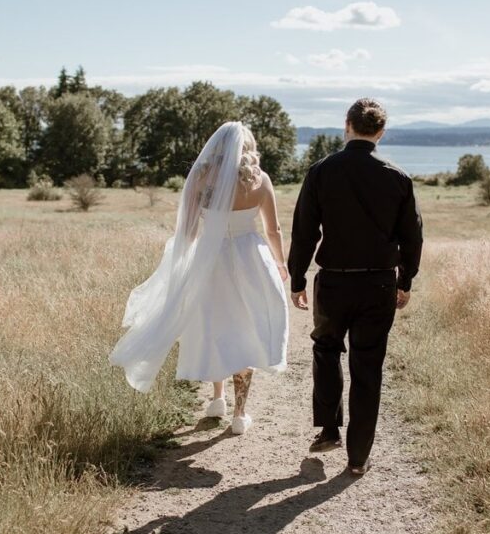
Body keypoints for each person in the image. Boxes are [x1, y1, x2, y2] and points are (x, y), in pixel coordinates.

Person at [110, 122, 289, 435]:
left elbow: (189, 230)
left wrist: (186, 258)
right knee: (246, 330)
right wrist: (280, 262)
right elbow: (273, 230)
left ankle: (217, 399)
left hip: (212, 259)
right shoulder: (259, 180)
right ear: (248, 146)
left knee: (215, 326)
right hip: (251, 259)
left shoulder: (202, 178)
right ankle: (239, 413)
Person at [287, 98, 423, 475]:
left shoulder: (321, 171)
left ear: (347, 125)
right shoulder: (398, 177)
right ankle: (358, 457)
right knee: (368, 366)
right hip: (378, 284)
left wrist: (297, 278)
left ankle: (330, 428)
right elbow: (413, 237)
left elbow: (304, 232)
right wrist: (405, 280)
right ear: (381, 132)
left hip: (333, 282)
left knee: (326, 350)